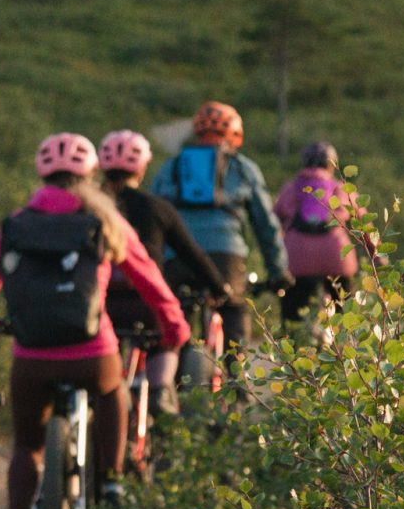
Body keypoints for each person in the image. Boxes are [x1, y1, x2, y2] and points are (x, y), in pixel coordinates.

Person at [0, 133, 189, 509]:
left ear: (42, 173)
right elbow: (149, 279)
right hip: (92, 352)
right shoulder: (103, 218)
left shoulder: (16, 223)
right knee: (114, 394)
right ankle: (111, 484)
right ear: (89, 172)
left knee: (27, 446)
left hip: (32, 355)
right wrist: (175, 329)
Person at [96, 129, 230, 415]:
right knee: (164, 338)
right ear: (143, 167)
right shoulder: (156, 207)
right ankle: (159, 389)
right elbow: (192, 254)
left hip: (98, 303)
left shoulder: (86, 207)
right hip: (144, 302)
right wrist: (219, 287)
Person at [149, 101, 292, 349]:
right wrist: (278, 270)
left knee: (176, 323)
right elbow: (265, 224)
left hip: (178, 257)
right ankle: (239, 383)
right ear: (235, 136)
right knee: (234, 313)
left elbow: (151, 214)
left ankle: (172, 379)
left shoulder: (171, 167)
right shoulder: (243, 168)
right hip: (226, 256)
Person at [272, 141, 372, 329]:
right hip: (337, 259)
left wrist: (274, 259)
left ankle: (290, 348)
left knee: (292, 316)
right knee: (345, 314)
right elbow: (366, 226)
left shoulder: (291, 188)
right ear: (331, 164)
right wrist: (379, 256)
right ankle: (346, 348)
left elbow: (272, 224)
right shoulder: (342, 188)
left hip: (297, 260)